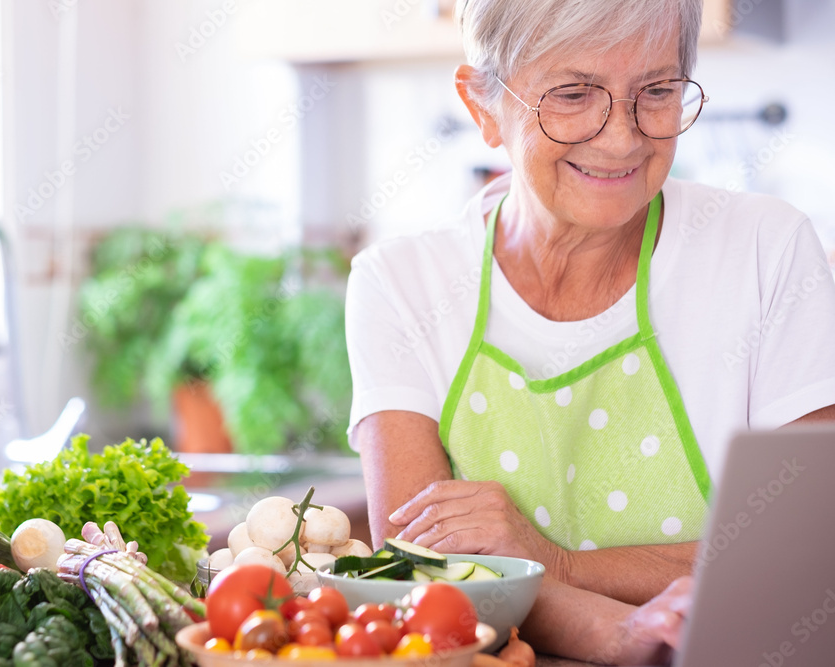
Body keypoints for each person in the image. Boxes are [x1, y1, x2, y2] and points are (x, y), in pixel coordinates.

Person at [345, 0, 835, 660]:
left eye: (656, 91)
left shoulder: (765, 248)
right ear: (484, 106)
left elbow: (804, 556)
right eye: (574, 94)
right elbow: (423, 576)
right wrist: (619, 631)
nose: (621, 138)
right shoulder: (402, 282)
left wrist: (555, 565)